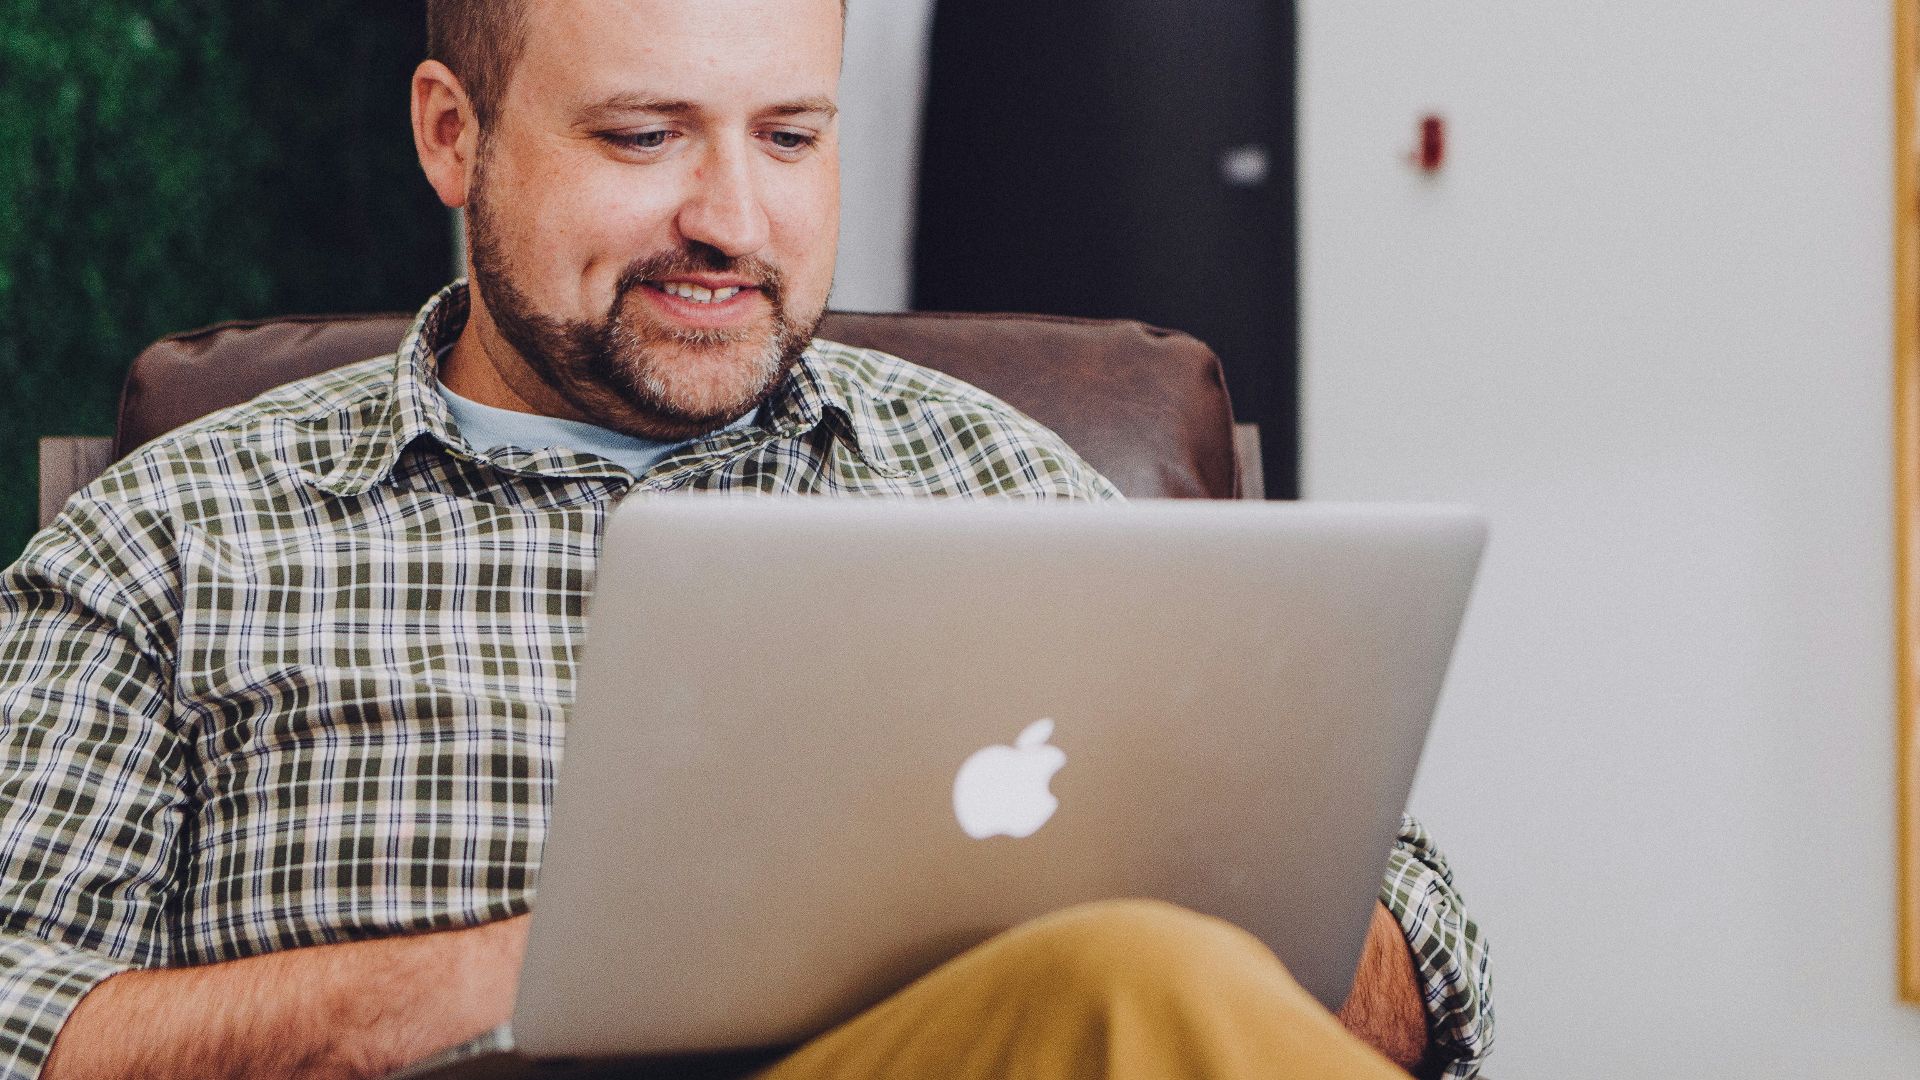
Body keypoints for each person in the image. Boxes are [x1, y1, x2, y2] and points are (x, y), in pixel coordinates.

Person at [0, 1, 1492, 1077]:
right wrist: (544, 975)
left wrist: (1111, 916)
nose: (734, 217)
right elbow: (19, 1011)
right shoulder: (178, 537)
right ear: (453, 137)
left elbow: (1423, 957)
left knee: (1143, 977)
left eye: (790, 137)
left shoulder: (993, 479)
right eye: (644, 135)